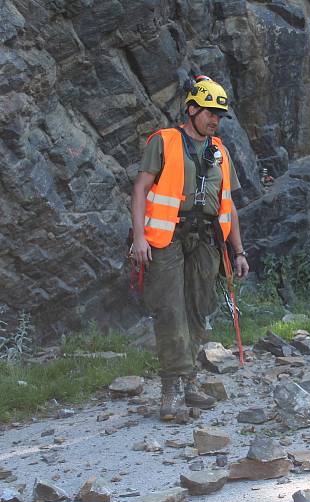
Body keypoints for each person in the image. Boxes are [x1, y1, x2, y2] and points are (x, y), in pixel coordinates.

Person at [130, 75, 249, 420]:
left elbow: (228, 205)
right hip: (165, 239)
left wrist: (238, 252)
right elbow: (140, 190)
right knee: (170, 310)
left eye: (220, 115)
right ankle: (170, 390)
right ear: (192, 108)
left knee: (199, 308)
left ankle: (190, 381)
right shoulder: (164, 142)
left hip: (206, 241)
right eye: (210, 112)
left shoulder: (221, 153)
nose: (215, 120)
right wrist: (139, 237)